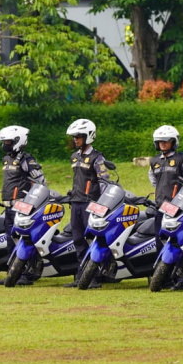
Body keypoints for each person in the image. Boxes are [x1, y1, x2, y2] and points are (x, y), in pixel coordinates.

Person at [148, 124, 183, 290]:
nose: (163, 144)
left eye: (166, 141)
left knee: (178, 243)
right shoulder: (154, 161)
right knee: (160, 243)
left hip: (178, 209)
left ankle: (182, 279)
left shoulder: (182, 160)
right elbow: (154, 182)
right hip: (160, 208)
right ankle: (163, 278)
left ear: (174, 142)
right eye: (160, 141)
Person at [0, 125, 45, 286]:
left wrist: (31, 201)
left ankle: (28, 274)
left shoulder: (27, 160)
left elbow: (41, 182)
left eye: (8, 141)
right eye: (4, 141)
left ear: (18, 141)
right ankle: (13, 273)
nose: (5, 144)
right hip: (8, 207)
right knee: (10, 240)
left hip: (22, 208)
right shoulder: (7, 159)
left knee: (24, 240)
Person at [63, 118, 112, 288]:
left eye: (79, 136)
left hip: (90, 205)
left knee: (92, 240)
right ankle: (82, 275)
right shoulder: (75, 157)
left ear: (89, 136)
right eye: (74, 137)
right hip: (75, 203)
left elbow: (104, 182)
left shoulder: (97, 158)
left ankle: (96, 277)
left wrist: (103, 205)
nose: (75, 139)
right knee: (78, 240)